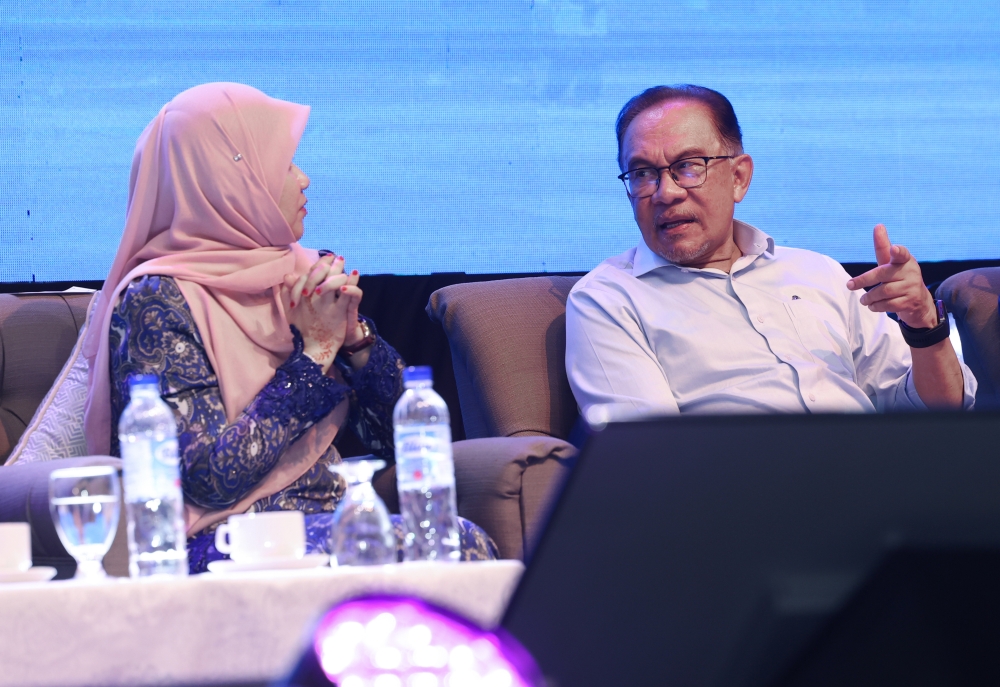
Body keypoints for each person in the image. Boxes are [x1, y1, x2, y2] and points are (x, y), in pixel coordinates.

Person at [82, 83, 496, 573]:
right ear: (228, 180)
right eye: (283, 165)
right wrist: (314, 355)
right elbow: (209, 478)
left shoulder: (302, 277)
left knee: (458, 542)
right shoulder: (157, 300)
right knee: (419, 548)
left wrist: (354, 342)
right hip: (219, 540)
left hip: (325, 518)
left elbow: (401, 440)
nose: (304, 179)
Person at [566, 85, 976, 417]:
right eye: (642, 173)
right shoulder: (609, 299)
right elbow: (649, 457)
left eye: (688, 166)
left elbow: (938, 412)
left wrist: (924, 327)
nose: (665, 193)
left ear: (739, 177)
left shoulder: (819, 273)